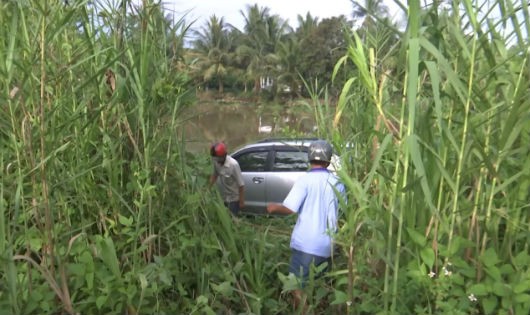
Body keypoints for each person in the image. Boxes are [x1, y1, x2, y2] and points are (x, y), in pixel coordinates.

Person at [266, 140, 345, 311]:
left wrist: (274, 207)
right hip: (330, 244)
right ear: (328, 160)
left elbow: (290, 209)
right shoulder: (339, 183)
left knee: (296, 287)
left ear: (310, 158)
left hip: (306, 245)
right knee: (320, 287)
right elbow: (343, 212)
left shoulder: (305, 181)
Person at [209, 141, 245, 216]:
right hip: (224, 197)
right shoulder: (217, 163)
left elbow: (241, 185)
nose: (216, 160)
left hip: (234, 199)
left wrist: (241, 201)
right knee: (225, 216)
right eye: (214, 158)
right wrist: (208, 188)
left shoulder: (233, 165)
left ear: (223, 156)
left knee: (232, 219)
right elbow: (214, 175)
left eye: (217, 158)